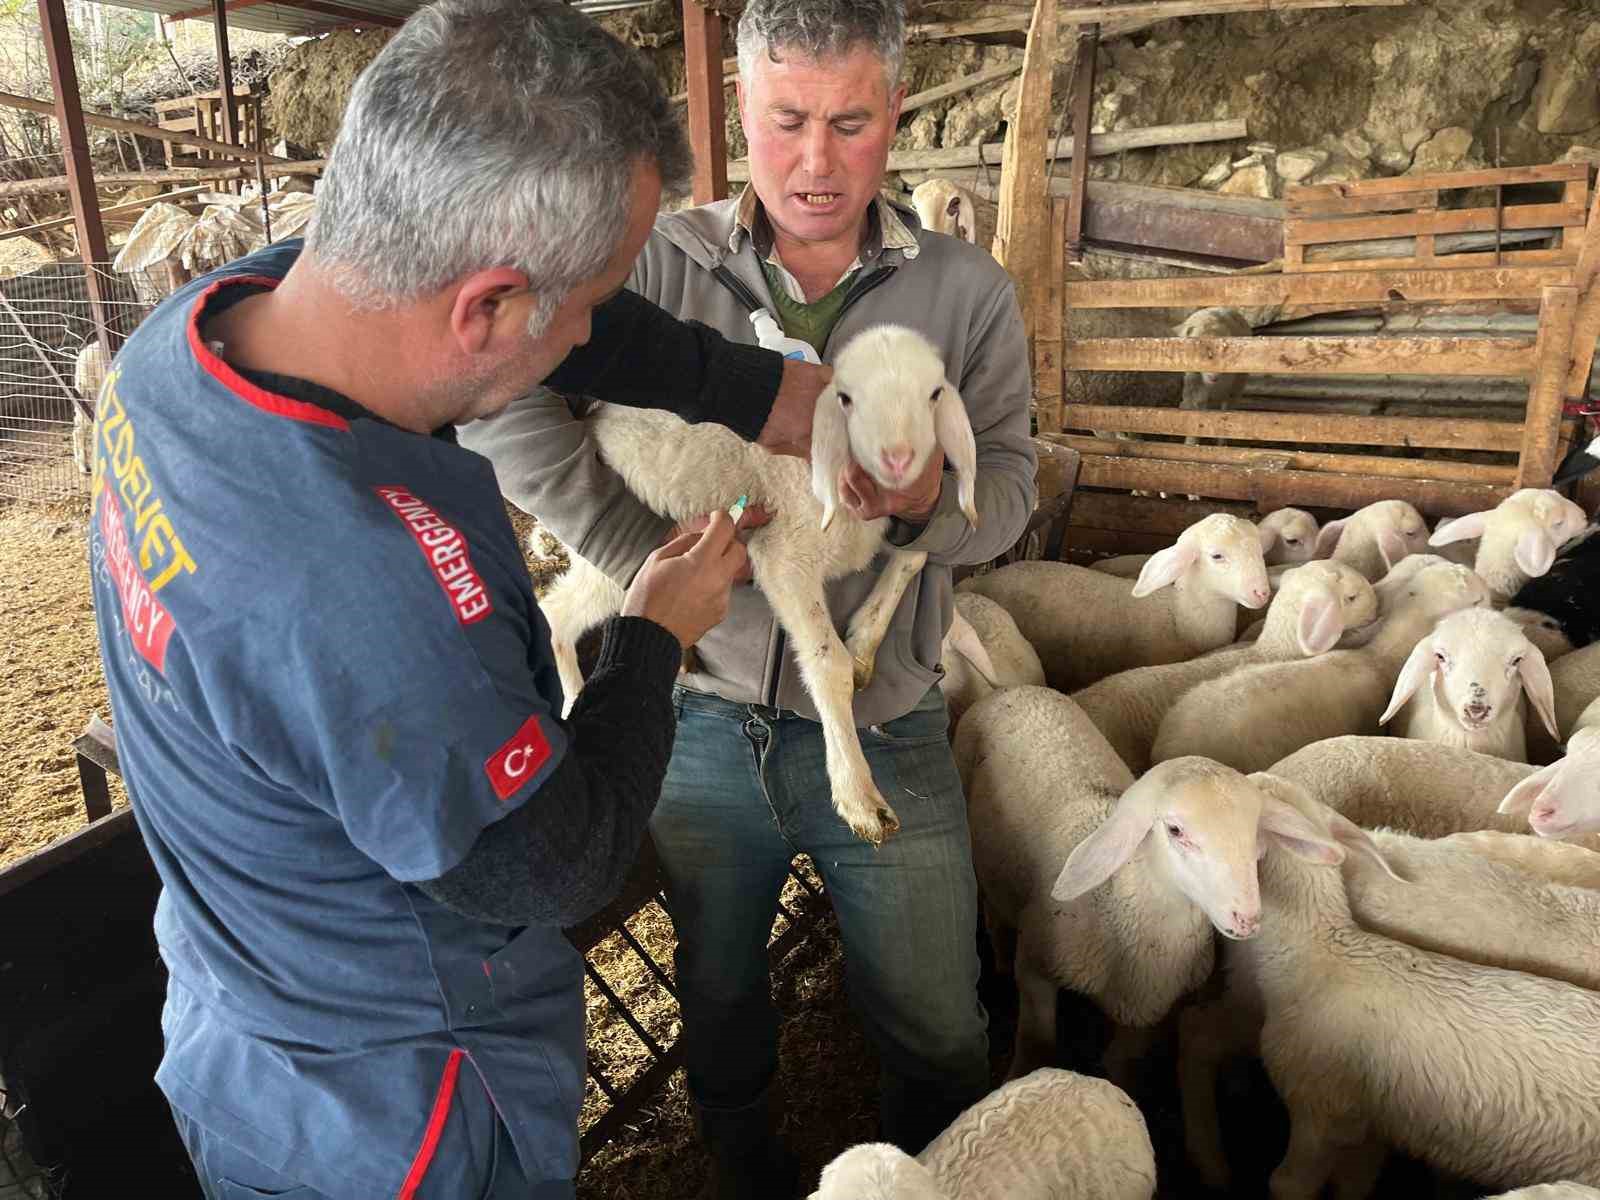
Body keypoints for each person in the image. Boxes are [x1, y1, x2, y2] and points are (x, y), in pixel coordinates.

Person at [84, 1, 835, 1197]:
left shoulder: (199, 335)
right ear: (483, 306)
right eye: (583, 302)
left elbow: (568, 336)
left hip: (241, 1027)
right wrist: (650, 634)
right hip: (398, 1115)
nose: (591, 333)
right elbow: (551, 866)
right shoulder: (366, 585)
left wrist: (760, 393)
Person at [458, 0, 1038, 1194]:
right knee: (716, 990)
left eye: (850, 122)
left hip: (888, 718)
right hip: (695, 713)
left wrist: (931, 500)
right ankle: (742, 1166)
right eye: (785, 121)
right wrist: (642, 556)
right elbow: (507, 402)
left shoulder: (966, 293)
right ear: (737, 110)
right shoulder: (653, 258)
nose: (816, 161)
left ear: (894, 116)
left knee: (936, 1016)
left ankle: (953, 1174)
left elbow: (1014, 489)